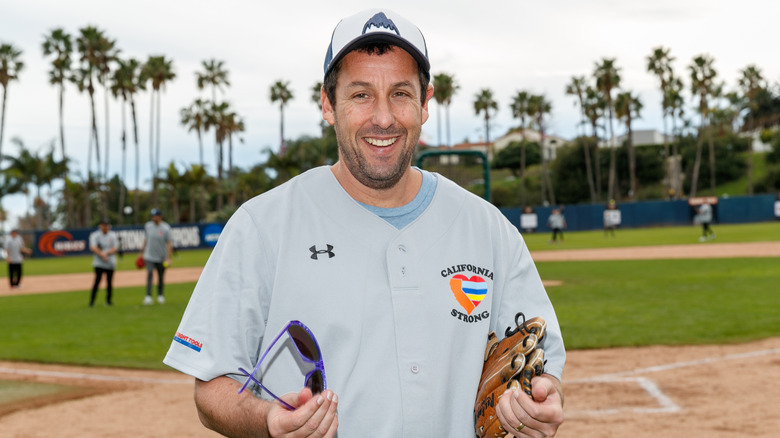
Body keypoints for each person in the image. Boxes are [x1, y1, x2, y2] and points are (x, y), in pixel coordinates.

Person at [163, 9, 564, 438]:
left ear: (425, 103)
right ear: (327, 104)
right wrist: (269, 422)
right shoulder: (262, 226)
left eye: (400, 93)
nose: (384, 117)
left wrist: (541, 400)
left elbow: (542, 363)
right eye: (360, 95)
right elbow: (211, 388)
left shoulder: (486, 228)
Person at [140, 208, 173, 305]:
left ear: (160, 216)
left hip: (161, 257)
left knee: (161, 276)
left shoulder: (166, 228)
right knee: (149, 274)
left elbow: (169, 243)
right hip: (149, 256)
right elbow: (146, 239)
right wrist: (141, 252)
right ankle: (148, 296)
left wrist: (169, 258)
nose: (154, 218)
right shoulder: (148, 226)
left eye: (155, 216)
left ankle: (160, 295)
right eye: (152, 216)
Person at [89, 218, 119, 306]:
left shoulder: (113, 235)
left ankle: (108, 301)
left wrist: (107, 254)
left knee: (109, 283)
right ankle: (92, 301)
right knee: (97, 281)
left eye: (106, 225)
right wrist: (102, 254)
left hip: (110, 262)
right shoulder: (95, 235)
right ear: (100, 226)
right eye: (103, 225)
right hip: (99, 263)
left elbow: (115, 248)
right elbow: (93, 247)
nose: (105, 227)